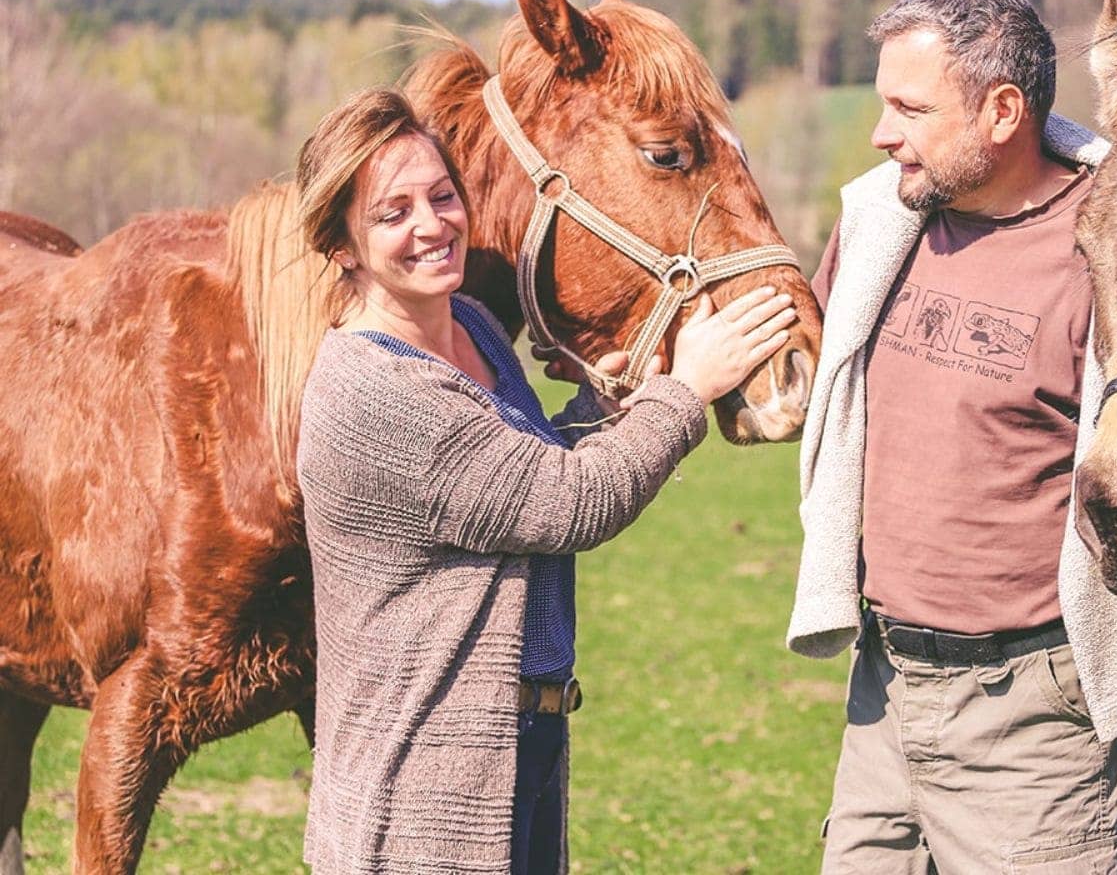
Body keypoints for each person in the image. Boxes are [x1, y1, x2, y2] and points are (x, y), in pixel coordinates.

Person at [293, 87, 796, 874]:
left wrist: (606, 398)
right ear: (343, 249)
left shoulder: (476, 333)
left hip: (518, 741)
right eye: (393, 214)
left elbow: (525, 475)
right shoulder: (375, 391)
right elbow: (568, 502)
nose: (432, 224)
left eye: (442, 195)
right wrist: (686, 389)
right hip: (424, 778)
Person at [787, 0, 1117, 872]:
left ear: (1003, 112)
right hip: (882, 691)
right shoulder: (885, 222)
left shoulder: (1113, 252)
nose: (884, 134)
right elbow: (802, 383)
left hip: (1029, 712)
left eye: (910, 109)